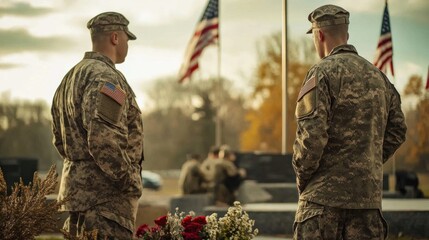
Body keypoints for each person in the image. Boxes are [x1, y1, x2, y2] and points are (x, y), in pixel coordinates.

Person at [292, 5, 407, 240]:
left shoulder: (321, 73)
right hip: (367, 207)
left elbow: (311, 138)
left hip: (322, 204)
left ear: (319, 35)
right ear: (346, 34)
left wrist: (304, 180)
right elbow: (397, 130)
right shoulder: (379, 78)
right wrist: (366, 162)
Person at [51, 12, 144, 239]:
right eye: (126, 39)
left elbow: (59, 140)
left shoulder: (70, 77)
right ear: (115, 37)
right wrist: (130, 181)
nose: (127, 45)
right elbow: (104, 140)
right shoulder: (106, 78)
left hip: (78, 197)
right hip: (105, 201)